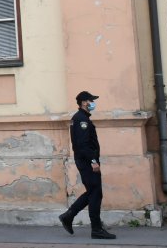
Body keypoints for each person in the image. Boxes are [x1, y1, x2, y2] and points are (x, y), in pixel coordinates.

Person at [59, 91, 116, 240]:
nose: (92, 103)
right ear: (84, 102)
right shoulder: (81, 119)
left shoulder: (82, 118)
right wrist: (93, 161)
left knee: (93, 192)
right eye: (91, 100)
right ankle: (96, 229)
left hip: (85, 161)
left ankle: (68, 216)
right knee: (95, 193)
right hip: (87, 161)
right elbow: (83, 145)